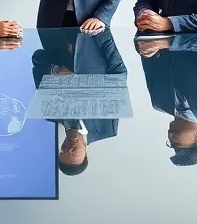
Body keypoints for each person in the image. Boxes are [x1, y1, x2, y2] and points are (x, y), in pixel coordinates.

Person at [32, 26, 127, 175]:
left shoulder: (49, 114)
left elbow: (37, 59)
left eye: (64, 151)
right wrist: (103, 33)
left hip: (55, 27)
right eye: (74, 151)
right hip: (93, 33)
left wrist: (55, 69)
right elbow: (119, 74)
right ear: (86, 154)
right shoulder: (107, 126)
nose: (69, 147)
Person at [137, 32, 197, 166]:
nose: (171, 140)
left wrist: (145, 31)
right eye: (177, 145)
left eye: (170, 145)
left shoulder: (159, 102)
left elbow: (146, 53)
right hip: (195, 19)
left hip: (155, 18)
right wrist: (169, 42)